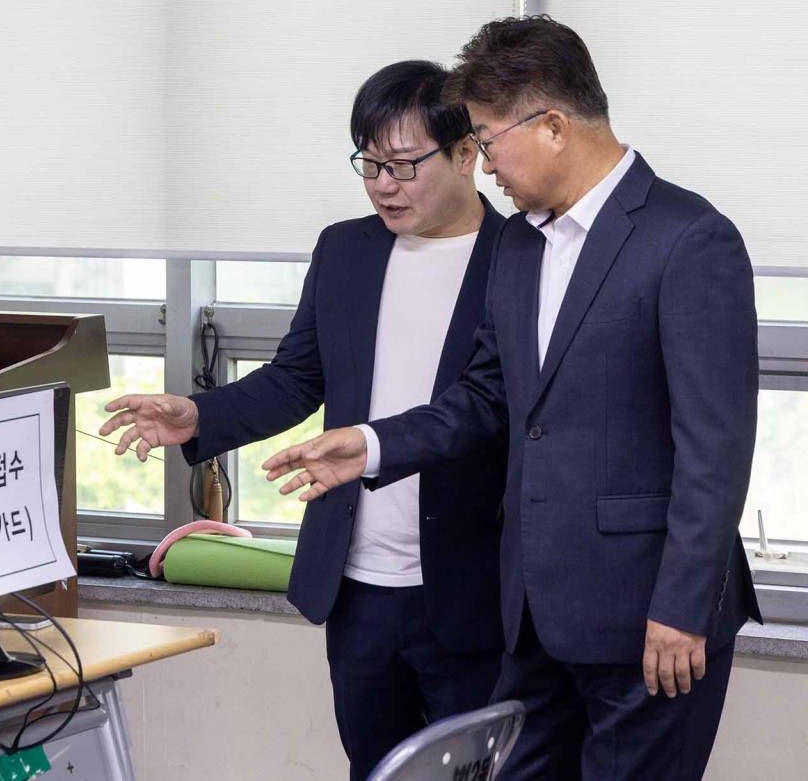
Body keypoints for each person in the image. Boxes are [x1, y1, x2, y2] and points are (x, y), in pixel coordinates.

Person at [264, 17, 760, 781]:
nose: (485, 163)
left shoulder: (688, 238)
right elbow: (487, 394)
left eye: (489, 139)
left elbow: (715, 449)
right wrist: (373, 444)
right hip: (532, 622)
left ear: (554, 127)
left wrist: (682, 607)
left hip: (649, 619)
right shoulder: (522, 243)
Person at [101, 60, 508, 780]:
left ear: (467, 153)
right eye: (369, 164)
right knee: (372, 769)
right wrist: (197, 415)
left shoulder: (520, 258)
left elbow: (493, 405)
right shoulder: (345, 250)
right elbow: (298, 377)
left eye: (403, 165)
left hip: (471, 586)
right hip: (357, 583)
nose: (383, 184)